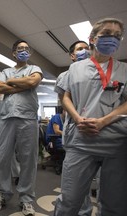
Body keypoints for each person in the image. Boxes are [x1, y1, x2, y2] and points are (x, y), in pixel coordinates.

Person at [54, 18, 127, 216]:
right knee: (69, 200)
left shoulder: (124, 70)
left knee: (115, 203)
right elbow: (65, 95)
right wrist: (78, 118)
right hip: (82, 140)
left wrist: (105, 120)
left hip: (115, 141)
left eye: (117, 36)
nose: (112, 39)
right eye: (106, 34)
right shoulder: (75, 68)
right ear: (93, 38)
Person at [0, 39, 43, 216]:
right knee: (3, 157)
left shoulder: (35, 69)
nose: (23, 51)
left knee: (28, 160)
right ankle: (2, 193)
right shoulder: (6, 71)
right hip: (7, 118)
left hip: (27, 118)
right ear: (13, 53)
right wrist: (21, 83)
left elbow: (32, 83)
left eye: (27, 48)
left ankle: (26, 199)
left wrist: (11, 83)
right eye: (20, 49)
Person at [54, 40, 95, 216]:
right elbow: (65, 101)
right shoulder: (66, 75)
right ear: (72, 55)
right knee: (74, 188)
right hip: (77, 134)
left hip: (102, 134)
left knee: (106, 188)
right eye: (80, 49)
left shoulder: (98, 72)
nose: (84, 51)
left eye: (87, 48)